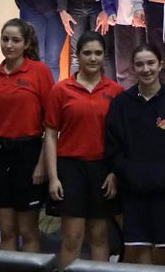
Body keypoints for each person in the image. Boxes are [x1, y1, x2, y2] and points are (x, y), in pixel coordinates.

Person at [43, 31, 122, 268]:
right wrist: (54, 177)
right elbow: (50, 135)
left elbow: (121, 139)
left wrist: (114, 173)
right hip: (70, 170)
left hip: (102, 170)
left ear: (104, 56)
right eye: (87, 53)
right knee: (72, 238)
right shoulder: (61, 90)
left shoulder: (115, 91)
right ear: (78, 56)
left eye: (98, 53)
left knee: (99, 236)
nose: (93, 58)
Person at [0, 18, 54, 253]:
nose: (9, 45)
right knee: (7, 231)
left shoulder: (39, 72)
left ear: (26, 43)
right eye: (5, 39)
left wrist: (42, 165)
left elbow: (50, 124)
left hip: (28, 155)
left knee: (28, 231)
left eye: (15, 40)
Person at [105, 44, 165, 267]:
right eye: (139, 64)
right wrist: (128, 173)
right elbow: (113, 145)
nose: (146, 69)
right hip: (133, 190)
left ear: (161, 65)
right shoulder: (121, 103)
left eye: (150, 63)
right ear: (133, 67)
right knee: (139, 251)